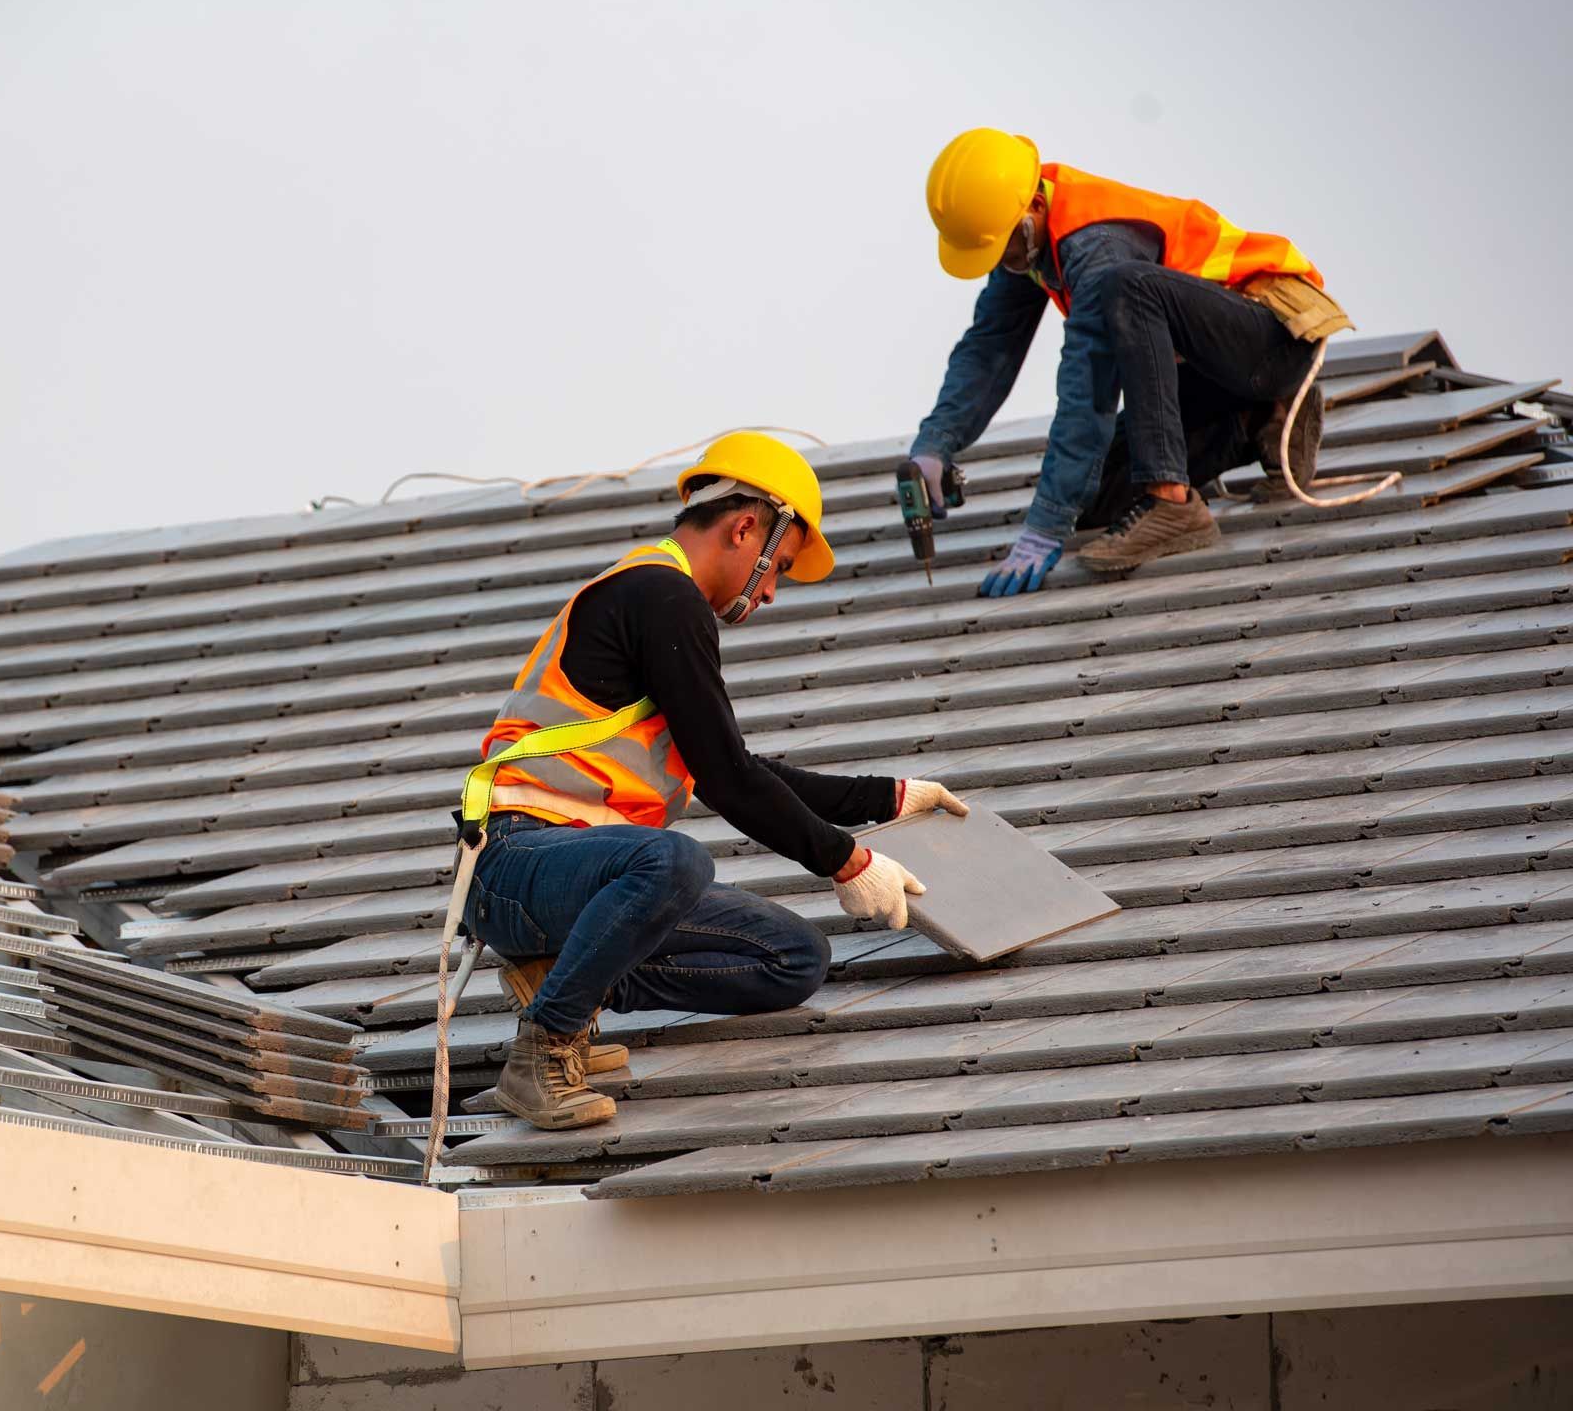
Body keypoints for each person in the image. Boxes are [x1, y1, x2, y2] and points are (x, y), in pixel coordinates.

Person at [458, 431, 969, 1130]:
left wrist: (887, 798)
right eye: (778, 568)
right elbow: (729, 782)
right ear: (745, 527)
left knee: (794, 956)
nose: (771, 593)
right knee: (675, 860)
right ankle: (545, 1049)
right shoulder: (661, 597)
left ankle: (560, 980)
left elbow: (739, 768)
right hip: (512, 868)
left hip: (582, 883)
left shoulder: (663, 605)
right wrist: (847, 859)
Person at [905, 128, 1351, 597]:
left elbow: (1088, 385)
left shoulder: (1095, 244)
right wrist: (936, 443)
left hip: (1274, 336)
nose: (1006, 262)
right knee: (1095, 499)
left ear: (1034, 208)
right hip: (1221, 375)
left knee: (1128, 288)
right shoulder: (1026, 241)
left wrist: (1046, 525)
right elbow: (990, 348)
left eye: (1004, 249)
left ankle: (1172, 501)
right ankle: (1260, 417)